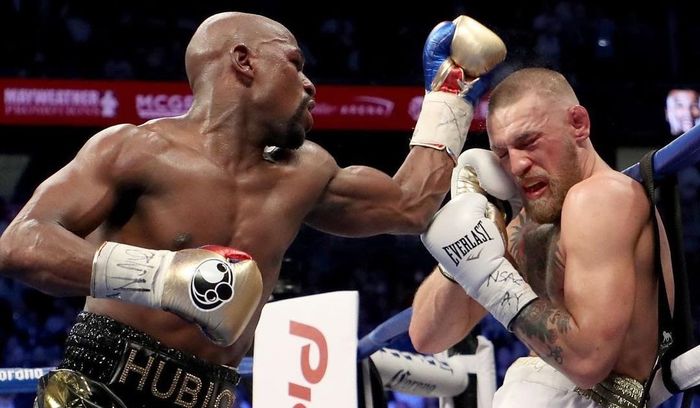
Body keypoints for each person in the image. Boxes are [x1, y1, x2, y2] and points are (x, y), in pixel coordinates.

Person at [0, 11, 506, 408]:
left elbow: (410, 206)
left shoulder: (305, 173)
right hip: (101, 389)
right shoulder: (134, 150)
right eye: (294, 63)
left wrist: (448, 95)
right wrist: (163, 276)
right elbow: (21, 241)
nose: (310, 85)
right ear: (243, 61)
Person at [412, 67, 671, 407]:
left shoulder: (602, 198)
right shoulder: (527, 226)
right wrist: (465, 242)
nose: (516, 165)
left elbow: (588, 361)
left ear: (578, 124)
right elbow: (427, 335)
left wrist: (492, 277)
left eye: (528, 142)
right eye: (502, 153)